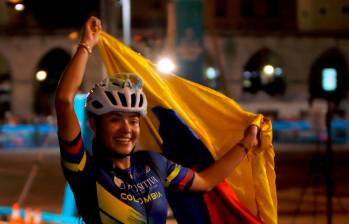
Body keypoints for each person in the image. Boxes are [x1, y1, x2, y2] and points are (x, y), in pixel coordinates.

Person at [55, 16, 260, 224]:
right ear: (93, 123)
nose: (126, 129)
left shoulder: (153, 163)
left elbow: (206, 182)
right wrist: (86, 45)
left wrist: (246, 143)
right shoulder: (84, 170)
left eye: (133, 121)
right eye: (115, 120)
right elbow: (64, 101)